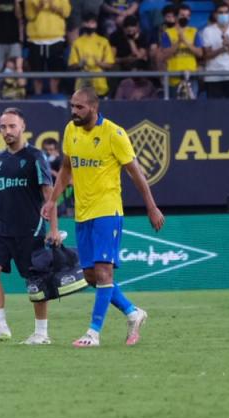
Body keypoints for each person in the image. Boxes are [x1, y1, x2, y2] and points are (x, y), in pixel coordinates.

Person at [41, 87, 165, 348]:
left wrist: (151, 207)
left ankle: (93, 333)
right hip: (82, 212)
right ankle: (133, 312)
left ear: (93, 108)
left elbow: (136, 173)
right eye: (72, 106)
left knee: (103, 272)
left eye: (79, 107)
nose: (74, 111)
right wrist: (52, 201)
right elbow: (65, 169)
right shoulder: (70, 130)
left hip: (108, 210)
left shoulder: (114, 134)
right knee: (89, 276)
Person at [0, 107, 61, 346]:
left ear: (23, 127)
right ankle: (1, 327)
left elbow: (49, 194)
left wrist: (53, 229)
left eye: (12, 126)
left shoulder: (35, 156)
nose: (8, 131)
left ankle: (41, 333)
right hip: (4, 229)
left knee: (35, 282)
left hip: (30, 229)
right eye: (3, 127)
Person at [25, 0, 71, 95]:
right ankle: (38, 96)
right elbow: (29, 16)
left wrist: (55, 8)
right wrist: (39, 7)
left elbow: (67, 13)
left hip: (56, 38)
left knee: (56, 72)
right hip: (36, 39)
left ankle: (54, 97)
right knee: (36, 73)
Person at [202, 2, 229, 98]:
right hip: (213, 77)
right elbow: (207, 55)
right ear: (215, 15)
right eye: (221, 13)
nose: (224, 15)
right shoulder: (208, 31)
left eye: (226, 12)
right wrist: (222, 49)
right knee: (215, 110)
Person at [160, 4, 203, 98]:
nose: (185, 18)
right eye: (182, 15)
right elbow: (164, 55)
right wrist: (178, 43)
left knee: (192, 108)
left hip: (191, 77)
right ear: (176, 17)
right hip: (174, 77)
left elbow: (200, 53)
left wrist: (186, 42)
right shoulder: (167, 33)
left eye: (188, 16)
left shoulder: (194, 31)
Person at [68, 13, 115, 97]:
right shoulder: (77, 43)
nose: (90, 25)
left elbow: (110, 64)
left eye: (92, 23)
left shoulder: (103, 41)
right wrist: (80, 64)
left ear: (96, 24)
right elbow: (71, 65)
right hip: (82, 84)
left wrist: (99, 63)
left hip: (100, 84)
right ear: (83, 24)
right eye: (87, 22)